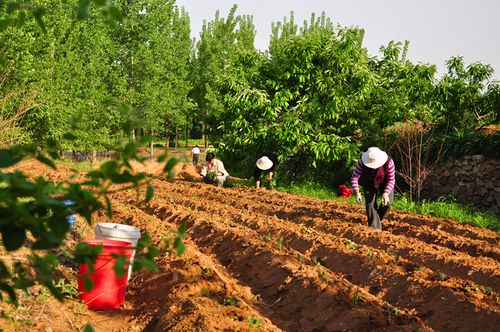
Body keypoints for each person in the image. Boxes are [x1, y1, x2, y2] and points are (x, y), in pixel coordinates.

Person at [351, 147, 395, 231]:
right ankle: (375, 229)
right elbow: (354, 177)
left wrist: (385, 193)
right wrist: (357, 192)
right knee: (370, 205)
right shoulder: (361, 162)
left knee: (388, 203)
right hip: (368, 183)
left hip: (385, 182)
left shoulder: (389, 162)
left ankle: (376, 220)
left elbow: (391, 179)